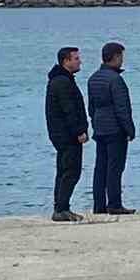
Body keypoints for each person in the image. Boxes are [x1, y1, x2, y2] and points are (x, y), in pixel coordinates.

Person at [87, 41, 136, 214]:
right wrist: (130, 130)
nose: (122, 60)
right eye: (121, 56)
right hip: (115, 129)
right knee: (115, 168)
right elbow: (122, 108)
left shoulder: (93, 78)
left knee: (100, 167)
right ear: (115, 57)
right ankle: (115, 204)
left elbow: (91, 108)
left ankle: (99, 205)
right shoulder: (116, 80)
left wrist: (95, 123)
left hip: (100, 128)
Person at [45, 46, 89, 222]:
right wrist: (79, 131)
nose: (79, 61)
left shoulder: (63, 80)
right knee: (71, 171)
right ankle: (61, 207)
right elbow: (69, 109)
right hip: (67, 135)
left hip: (62, 134)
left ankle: (62, 206)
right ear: (66, 61)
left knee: (64, 170)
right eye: (76, 58)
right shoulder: (62, 82)